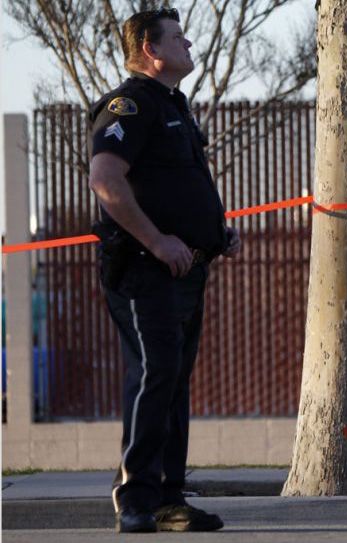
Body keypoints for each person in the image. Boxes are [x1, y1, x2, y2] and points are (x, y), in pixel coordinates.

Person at [88, 8, 241, 533]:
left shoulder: (173, 106)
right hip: (143, 271)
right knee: (154, 374)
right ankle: (133, 497)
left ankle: (168, 498)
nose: (188, 41)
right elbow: (105, 178)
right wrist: (154, 240)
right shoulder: (129, 105)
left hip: (185, 273)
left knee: (173, 380)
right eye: (177, 36)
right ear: (151, 50)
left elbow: (174, 187)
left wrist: (217, 234)